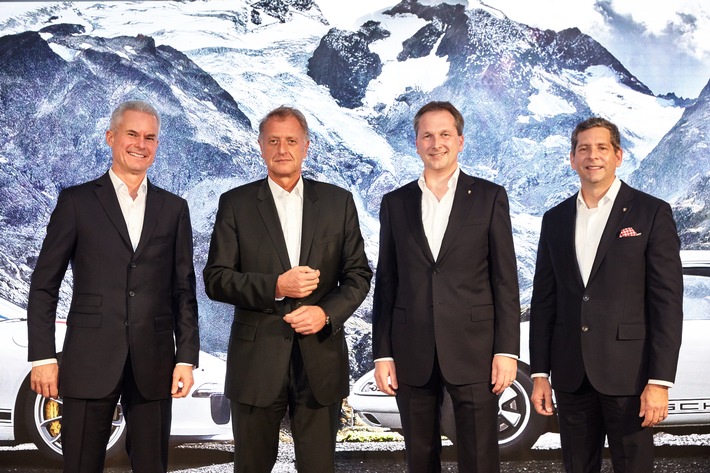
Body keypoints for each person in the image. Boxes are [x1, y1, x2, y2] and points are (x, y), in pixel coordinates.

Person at [27, 100, 200, 472]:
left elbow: (183, 291)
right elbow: (44, 284)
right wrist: (42, 357)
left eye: (150, 137)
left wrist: (185, 358)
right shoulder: (76, 202)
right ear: (110, 137)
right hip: (88, 358)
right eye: (132, 134)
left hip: (154, 362)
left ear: (157, 145)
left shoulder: (174, 209)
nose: (141, 144)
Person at [203, 106, 372, 473]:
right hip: (255, 364)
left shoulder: (338, 202)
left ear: (306, 146)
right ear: (261, 146)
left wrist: (325, 313)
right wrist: (275, 286)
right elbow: (216, 278)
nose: (282, 149)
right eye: (273, 141)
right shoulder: (236, 204)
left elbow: (358, 274)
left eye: (291, 141)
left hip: (320, 362)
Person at [372, 101, 521, 473]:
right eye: (427, 136)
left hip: (475, 349)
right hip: (411, 350)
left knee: (480, 456)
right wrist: (383, 354)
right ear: (416, 143)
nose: (435, 143)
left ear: (460, 141)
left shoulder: (489, 197)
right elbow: (387, 283)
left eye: (444, 134)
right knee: (420, 457)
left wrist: (506, 350)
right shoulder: (395, 203)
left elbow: (505, 280)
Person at [529, 117, 683, 473]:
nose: (592, 156)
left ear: (618, 156)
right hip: (571, 374)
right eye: (583, 148)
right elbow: (544, 301)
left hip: (630, 375)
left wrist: (659, 381)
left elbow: (666, 303)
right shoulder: (555, 219)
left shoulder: (651, 212)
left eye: (601, 147)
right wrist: (539, 373)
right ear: (572, 159)